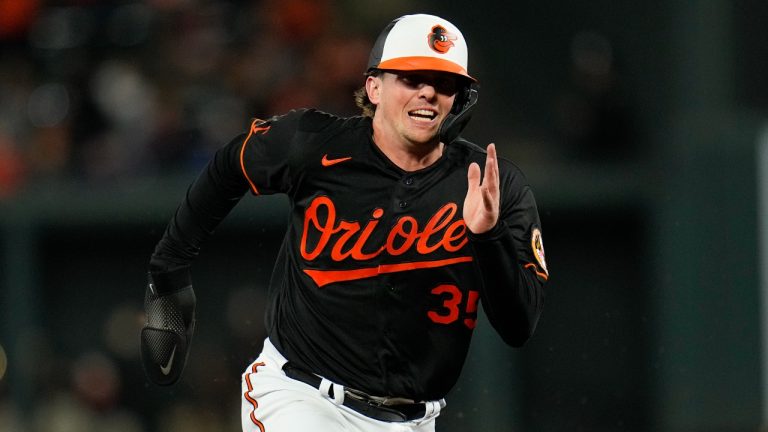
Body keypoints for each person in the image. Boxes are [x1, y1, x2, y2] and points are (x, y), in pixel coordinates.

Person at [140, 13, 548, 432]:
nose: (428, 91)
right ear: (373, 86)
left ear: (460, 99)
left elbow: (519, 326)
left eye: (444, 83)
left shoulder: (494, 185)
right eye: (411, 77)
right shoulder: (313, 145)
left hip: (414, 420)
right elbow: (230, 166)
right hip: (302, 398)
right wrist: (168, 268)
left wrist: (488, 236)